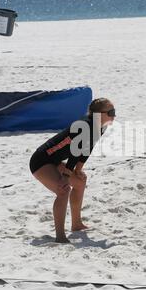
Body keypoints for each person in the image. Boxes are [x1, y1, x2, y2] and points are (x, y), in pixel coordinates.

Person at [29, 98, 116, 243]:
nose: (114, 115)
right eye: (111, 112)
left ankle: (76, 224)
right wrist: (66, 175)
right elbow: (76, 152)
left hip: (54, 161)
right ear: (98, 114)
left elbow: (87, 149)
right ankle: (60, 236)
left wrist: (79, 171)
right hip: (40, 161)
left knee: (80, 182)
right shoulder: (87, 126)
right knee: (63, 189)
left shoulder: (99, 126)